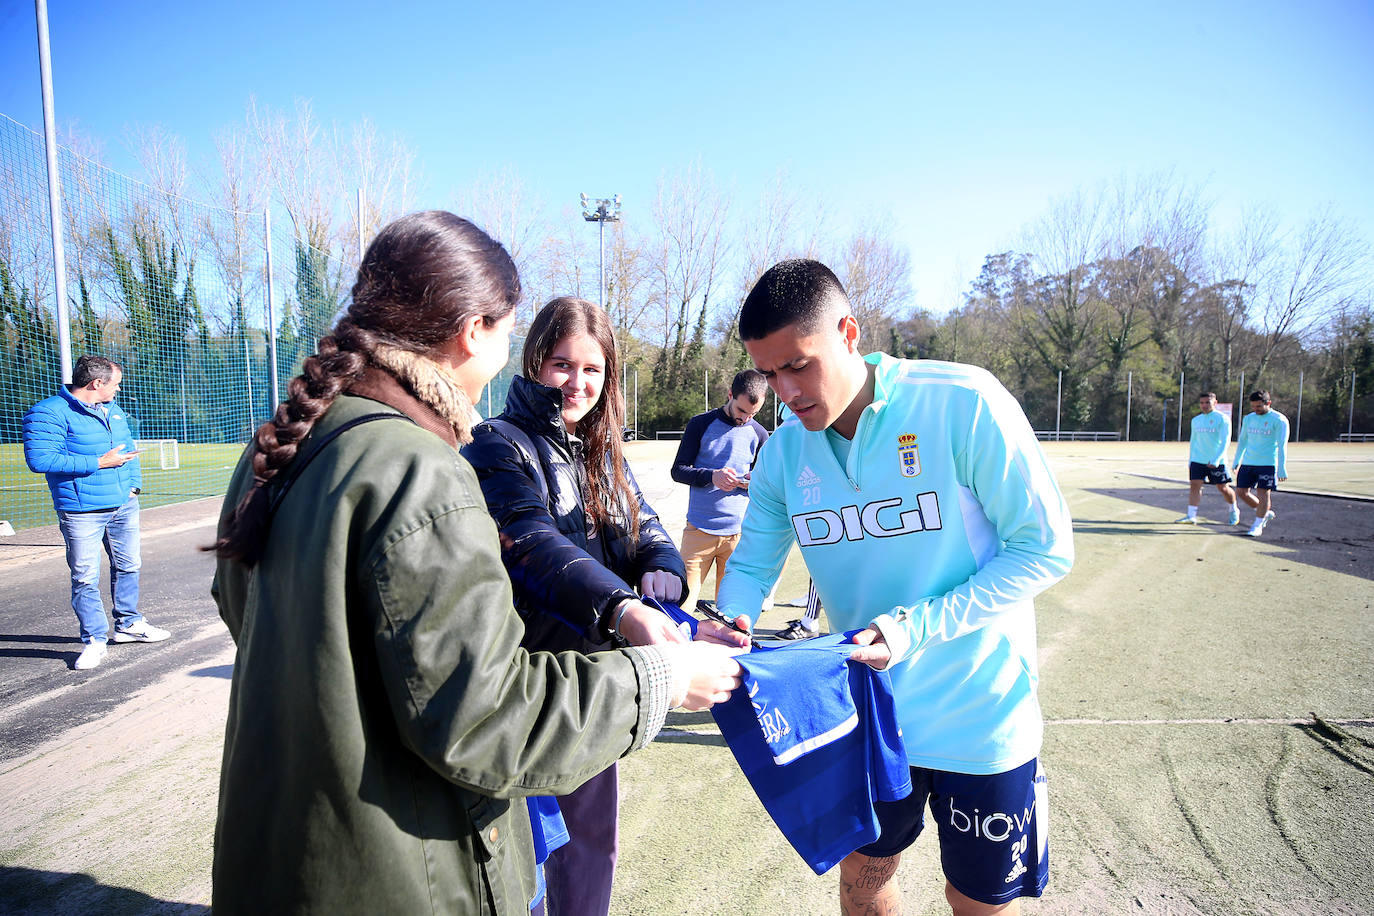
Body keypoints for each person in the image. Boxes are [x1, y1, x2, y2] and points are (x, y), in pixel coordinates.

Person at [207, 212, 741, 916]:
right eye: (522, 338)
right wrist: (661, 674)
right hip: (390, 863)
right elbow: (485, 718)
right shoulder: (421, 466)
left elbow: (243, 606)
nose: (575, 381)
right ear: (475, 332)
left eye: (591, 368)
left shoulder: (281, 441)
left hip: (281, 844)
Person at [707, 259, 1074, 916]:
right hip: (869, 720)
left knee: (979, 903)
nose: (783, 390)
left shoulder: (963, 401)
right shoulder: (786, 452)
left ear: (848, 332)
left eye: (798, 364)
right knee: (865, 882)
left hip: (980, 717)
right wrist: (731, 619)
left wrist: (911, 629)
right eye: (768, 372)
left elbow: (1043, 550)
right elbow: (755, 564)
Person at [464, 296, 692, 916]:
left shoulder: (602, 452)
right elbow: (532, 543)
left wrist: (661, 569)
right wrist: (623, 608)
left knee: (592, 846)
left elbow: (643, 526)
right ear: (534, 361)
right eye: (562, 364)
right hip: (526, 689)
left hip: (597, 685)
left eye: (592, 369)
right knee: (521, 855)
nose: (577, 382)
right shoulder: (497, 445)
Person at [22, 354, 170, 671]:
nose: (118, 390)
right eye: (115, 384)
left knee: (129, 565)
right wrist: (99, 464)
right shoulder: (47, 413)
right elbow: (40, 460)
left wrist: (134, 487)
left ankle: (129, 625)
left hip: (124, 505)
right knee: (85, 578)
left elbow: (129, 450)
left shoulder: (113, 411)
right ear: (97, 383)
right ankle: (94, 641)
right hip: (81, 511)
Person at [670, 368, 769, 610]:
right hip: (698, 532)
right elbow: (678, 470)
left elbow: (764, 483)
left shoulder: (760, 434)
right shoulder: (700, 424)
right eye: (742, 411)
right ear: (730, 395)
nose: (746, 418)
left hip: (738, 537)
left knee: (729, 612)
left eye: (753, 414)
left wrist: (750, 483)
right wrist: (711, 477)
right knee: (682, 606)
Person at [1175, 391, 1241, 527]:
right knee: (1195, 486)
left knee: (1223, 488)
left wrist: (1216, 459)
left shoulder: (1222, 419)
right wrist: (1191, 459)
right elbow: (1194, 441)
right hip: (1198, 460)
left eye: (1207, 402)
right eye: (1202, 403)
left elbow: (1225, 441)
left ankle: (1233, 509)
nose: (1204, 405)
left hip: (1217, 462)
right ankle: (1191, 516)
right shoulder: (1196, 420)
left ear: (1215, 403)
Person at [1232, 389, 1289, 538]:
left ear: (1268, 403)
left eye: (1259, 406)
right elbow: (1243, 440)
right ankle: (1264, 512)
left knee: (1263, 493)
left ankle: (1257, 524)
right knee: (1241, 492)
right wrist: (1237, 460)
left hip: (1268, 463)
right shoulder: (1249, 418)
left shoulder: (1279, 420)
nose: (1255, 409)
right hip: (1249, 462)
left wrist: (1281, 467)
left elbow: (1282, 445)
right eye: (1253, 406)